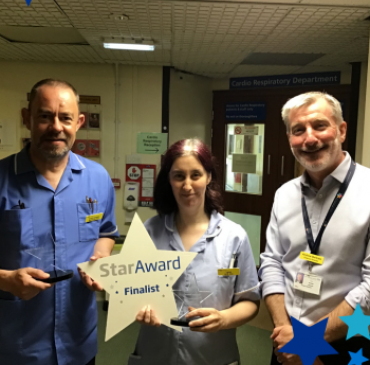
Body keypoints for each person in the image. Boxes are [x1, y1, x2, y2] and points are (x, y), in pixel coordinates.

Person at [0, 79, 118, 365]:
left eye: (65, 118)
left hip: (79, 343)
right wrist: (5, 280)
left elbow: (106, 231)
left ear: (78, 122)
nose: (56, 127)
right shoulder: (2, 179)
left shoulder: (98, 178)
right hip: (17, 348)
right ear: (26, 118)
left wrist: (101, 257)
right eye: (44, 116)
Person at [259, 92, 370, 365]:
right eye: (298, 130)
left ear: (341, 130)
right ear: (289, 139)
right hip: (286, 343)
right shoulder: (284, 195)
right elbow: (271, 262)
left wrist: (309, 343)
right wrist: (288, 336)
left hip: (347, 345)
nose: (309, 138)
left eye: (320, 125)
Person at [129, 138, 260, 365]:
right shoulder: (149, 232)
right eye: (179, 176)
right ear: (168, 180)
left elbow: (250, 302)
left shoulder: (234, 237)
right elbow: (130, 292)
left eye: (195, 175)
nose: (187, 185)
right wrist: (138, 307)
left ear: (209, 177)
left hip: (213, 355)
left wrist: (223, 319)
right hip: (155, 353)